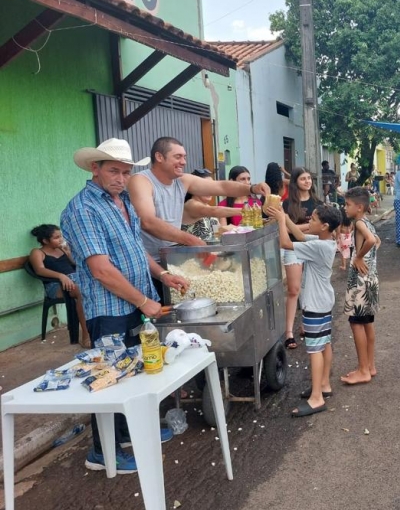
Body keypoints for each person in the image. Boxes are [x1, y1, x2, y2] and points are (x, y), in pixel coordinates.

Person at [61, 138, 189, 473]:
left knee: (132, 373)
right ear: (95, 168)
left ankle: (126, 431)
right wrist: (145, 301)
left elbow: (136, 250)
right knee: (107, 379)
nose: (120, 178)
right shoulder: (83, 209)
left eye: (125, 172)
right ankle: (103, 451)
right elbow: (101, 270)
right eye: (113, 171)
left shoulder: (123, 203)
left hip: (136, 303)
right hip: (109, 311)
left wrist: (163, 274)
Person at [128, 138, 270, 284]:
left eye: (184, 157)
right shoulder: (141, 180)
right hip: (148, 265)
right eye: (178, 157)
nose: (183, 162)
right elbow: (147, 222)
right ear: (159, 157)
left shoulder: (183, 180)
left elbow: (221, 187)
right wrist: (193, 240)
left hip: (172, 259)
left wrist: (251, 188)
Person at [267, 203, 342, 417]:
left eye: (314, 220)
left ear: (325, 225)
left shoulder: (320, 246)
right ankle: (324, 385)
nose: (310, 222)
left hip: (315, 304)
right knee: (324, 342)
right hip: (323, 301)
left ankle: (317, 397)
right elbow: (299, 235)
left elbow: (285, 242)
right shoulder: (324, 241)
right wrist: (284, 215)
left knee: (315, 349)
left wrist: (281, 221)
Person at [340, 188, 381, 385]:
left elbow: (372, 241)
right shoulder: (368, 223)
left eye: (347, 204)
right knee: (367, 324)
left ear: (359, 207)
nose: (344, 207)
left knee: (356, 323)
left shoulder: (358, 223)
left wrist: (358, 256)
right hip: (371, 279)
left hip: (360, 283)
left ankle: (363, 369)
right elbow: (377, 241)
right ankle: (370, 365)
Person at [29, 224, 90, 347]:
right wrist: (61, 276)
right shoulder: (37, 252)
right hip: (55, 285)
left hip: (74, 279)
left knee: (97, 287)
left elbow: (74, 265)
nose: (61, 239)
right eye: (56, 237)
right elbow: (39, 270)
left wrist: (68, 253)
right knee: (81, 292)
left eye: (60, 236)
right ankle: (86, 336)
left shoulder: (62, 249)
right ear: (45, 240)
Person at [281, 167, 322, 349]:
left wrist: (299, 227)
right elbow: (287, 230)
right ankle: (288, 332)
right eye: (303, 179)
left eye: (309, 178)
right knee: (293, 289)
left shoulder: (318, 203)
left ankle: (305, 324)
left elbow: (319, 228)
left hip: (312, 246)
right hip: (293, 248)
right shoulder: (287, 204)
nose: (307, 181)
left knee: (309, 287)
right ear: (295, 182)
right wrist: (308, 226)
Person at [181, 169, 241, 240]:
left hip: (211, 250)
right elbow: (214, 211)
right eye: (206, 187)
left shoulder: (207, 206)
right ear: (194, 188)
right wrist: (244, 211)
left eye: (211, 187)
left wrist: (239, 228)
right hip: (194, 250)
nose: (210, 191)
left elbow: (217, 233)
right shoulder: (191, 204)